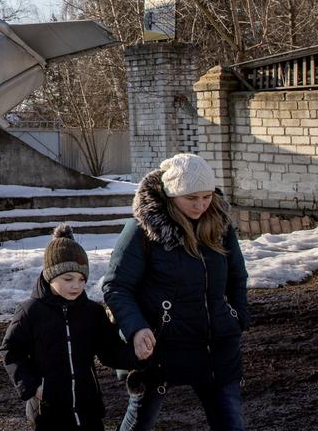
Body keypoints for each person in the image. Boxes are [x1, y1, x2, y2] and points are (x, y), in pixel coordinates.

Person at [102, 153, 249, 431]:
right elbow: (117, 287)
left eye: (206, 197)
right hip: (161, 348)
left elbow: (237, 276)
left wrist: (237, 316)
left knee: (231, 424)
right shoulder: (143, 229)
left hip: (216, 345)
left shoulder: (220, 224)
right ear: (172, 194)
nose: (200, 206)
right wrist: (136, 329)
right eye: (191, 198)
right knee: (138, 423)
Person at [1, 223, 137, 430]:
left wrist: (138, 354)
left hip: (87, 407)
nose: (76, 285)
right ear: (50, 275)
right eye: (68, 279)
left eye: (82, 279)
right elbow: (12, 352)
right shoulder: (30, 311)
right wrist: (34, 387)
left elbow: (110, 351)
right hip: (48, 409)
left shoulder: (92, 312)